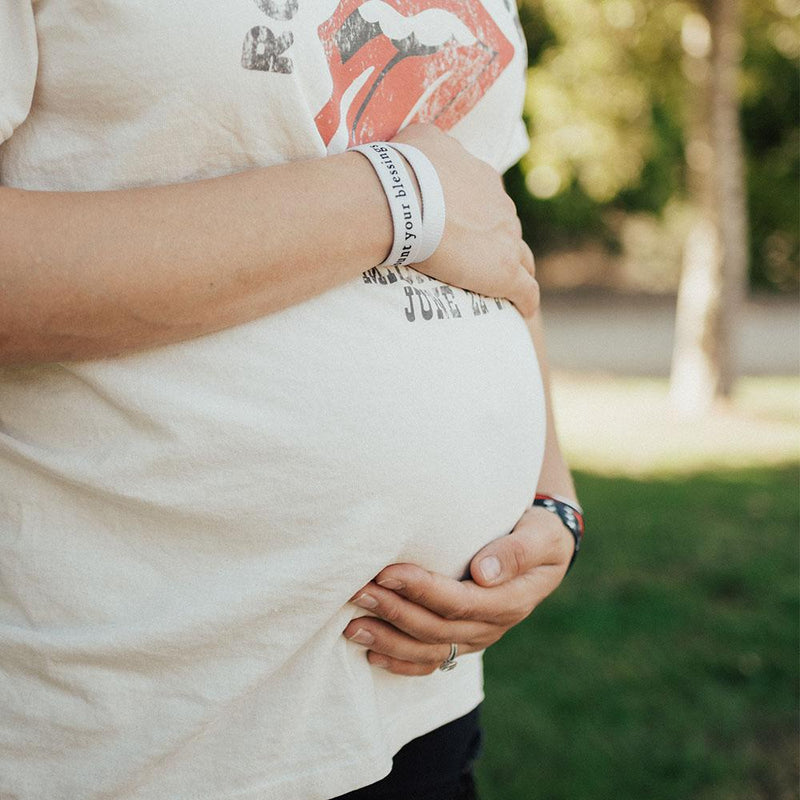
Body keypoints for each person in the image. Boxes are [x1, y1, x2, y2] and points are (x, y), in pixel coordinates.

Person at [0, 1, 581, 798]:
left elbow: (490, 230)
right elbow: (438, 201)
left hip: (411, 707)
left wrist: (553, 500)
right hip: (134, 730)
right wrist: (395, 197)